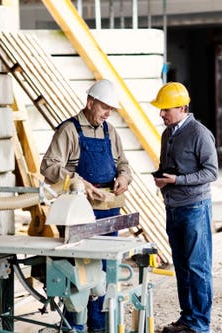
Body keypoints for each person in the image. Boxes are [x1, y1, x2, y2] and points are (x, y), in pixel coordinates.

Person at [40, 79, 132, 333]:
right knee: (78, 271)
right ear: (90, 102)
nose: (107, 114)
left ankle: (100, 326)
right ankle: (74, 326)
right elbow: (47, 166)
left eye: (111, 110)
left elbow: (123, 163)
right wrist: (77, 181)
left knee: (103, 269)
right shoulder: (69, 131)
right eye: (104, 107)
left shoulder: (110, 131)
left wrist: (124, 176)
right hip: (77, 212)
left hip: (108, 210)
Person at [151, 82, 218, 333]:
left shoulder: (199, 133)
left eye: (165, 109)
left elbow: (211, 172)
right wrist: (163, 180)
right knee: (181, 265)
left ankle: (200, 324)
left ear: (182, 107)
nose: (161, 114)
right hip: (174, 207)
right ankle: (188, 318)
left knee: (198, 266)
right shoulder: (168, 134)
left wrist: (178, 180)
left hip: (195, 208)